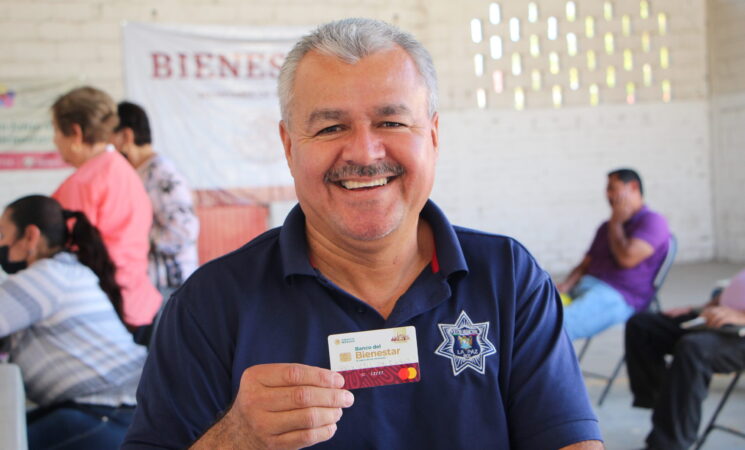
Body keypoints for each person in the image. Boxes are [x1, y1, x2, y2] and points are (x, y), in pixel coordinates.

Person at [124, 18, 602, 449]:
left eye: (391, 121)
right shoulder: (209, 305)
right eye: (331, 127)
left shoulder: (508, 278)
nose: (366, 152)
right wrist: (235, 439)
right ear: (290, 147)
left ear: (432, 137)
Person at [0, 195, 147, 449]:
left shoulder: (46, 277)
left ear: (30, 236)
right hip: (122, 408)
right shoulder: (68, 270)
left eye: (2, 234)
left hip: (110, 411)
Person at [50, 86, 162, 331]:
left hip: (106, 308)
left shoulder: (82, 183)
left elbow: (64, 253)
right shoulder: (125, 171)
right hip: (140, 302)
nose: (54, 141)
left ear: (76, 133)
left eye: (56, 131)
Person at [625, 269, 745, 450]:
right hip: (721, 319)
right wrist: (700, 308)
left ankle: (669, 445)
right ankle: (662, 401)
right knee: (642, 326)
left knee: (694, 349)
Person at [556, 168, 671, 340]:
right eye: (607, 189)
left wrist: (616, 222)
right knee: (531, 316)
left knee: (555, 329)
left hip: (619, 296)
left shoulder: (653, 221)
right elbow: (586, 264)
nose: (608, 194)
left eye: (612, 188)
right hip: (584, 287)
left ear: (633, 187)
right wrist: (566, 285)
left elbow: (627, 259)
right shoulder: (606, 227)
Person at [110, 101, 200, 301]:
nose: (110, 150)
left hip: (170, 289)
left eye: (110, 140)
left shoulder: (160, 174)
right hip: (156, 289)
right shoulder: (141, 173)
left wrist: (135, 238)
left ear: (126, 136)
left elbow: (184, 231)